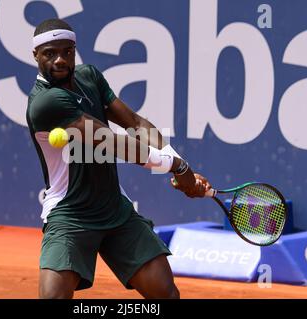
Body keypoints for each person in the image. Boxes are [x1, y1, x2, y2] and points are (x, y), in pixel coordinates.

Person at [26, 18, 212, 299]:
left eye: (67, 51)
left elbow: (135, 122)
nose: (60, 60)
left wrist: (178, 165)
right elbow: (113, 143)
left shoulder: (90, 76)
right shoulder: (46, 102)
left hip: (115, 208)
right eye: (50, 53)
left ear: (75, 50)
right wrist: (178, 167)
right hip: (70, 214)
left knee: (166, 294)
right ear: (36, 56)